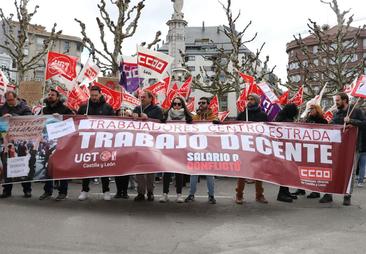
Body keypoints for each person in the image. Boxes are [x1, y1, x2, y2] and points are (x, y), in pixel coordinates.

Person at [319, 92, 366, 206]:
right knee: (333, 169)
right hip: (338, 147)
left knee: (350, 172)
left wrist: (351, 121)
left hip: (353, 147)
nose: (336, 103)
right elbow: (332, 125)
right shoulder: (337, 113)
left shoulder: (356, 111)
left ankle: (347, 195)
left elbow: (364, 123)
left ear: (345, 100)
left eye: (338, 101)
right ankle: (329, 194)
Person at [77, 86, 115, 201]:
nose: (94, 97)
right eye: (92, 95)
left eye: (95, 95)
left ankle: (106, 190)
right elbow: (76, 122)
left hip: (103, 141)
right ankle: (84, 190)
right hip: (87, 142)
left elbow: (114, 124)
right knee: (86, 166)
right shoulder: (84, 107)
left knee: (104, 166)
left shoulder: (107, 108)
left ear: (100, 94)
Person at [39, 89, 73, 201]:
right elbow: (37, 121)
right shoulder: (44, 110)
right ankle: (47, 191)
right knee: (49, 167)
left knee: (61, 167)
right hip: (48, 142)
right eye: (49, 94)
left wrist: (62, 116)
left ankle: (63, 192)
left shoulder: (65, 109)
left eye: (52, 95)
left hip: (61, 142)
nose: (50, 96)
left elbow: (73, 120)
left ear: (58, 97)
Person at [235, 94, 268, 204]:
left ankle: (259, 195)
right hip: (244, 146)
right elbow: (234, 128)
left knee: (258, 172)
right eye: (248, 99)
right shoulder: (242, 114)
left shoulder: (262, 115)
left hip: (258, 147)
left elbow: (267, 130)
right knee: (242, 172)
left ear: (257, 101)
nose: (249, 101)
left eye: (252, 99)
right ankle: (239, 195)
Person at [159, 96, 193, 203]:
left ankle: (179, 194)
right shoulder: (165, 116)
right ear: (172, 105)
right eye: (174, 104)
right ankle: (165, 194)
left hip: (181, 147)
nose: (177, 106)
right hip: (168, 146)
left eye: (179, 104)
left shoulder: (188, 117)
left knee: (179, 171)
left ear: (183, 105)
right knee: (167, 172)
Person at [0, 91, 33, 198]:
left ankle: (27, 189)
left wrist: (13, 116)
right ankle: (7, 190)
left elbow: (30, 119)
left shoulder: (24, 107)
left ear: (16, 98)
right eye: (7, 100)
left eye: (11, 100)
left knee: (22, 166)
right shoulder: (2, 108)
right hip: (7, 141)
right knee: (7, 166)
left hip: (20, 141)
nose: (9, 102)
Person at [291, 104, 328, 199]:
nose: (310, 110)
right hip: (306, 148)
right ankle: (301, 188)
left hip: (317, 148)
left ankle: (315, 191)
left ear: (317, 110)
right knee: (302, 169)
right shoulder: (308, 119)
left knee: (314, 171)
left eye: (312, 109)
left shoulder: (323, 121)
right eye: (310, 109)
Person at [185, 97, 217, 204]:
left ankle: (211, 195)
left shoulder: (213, 117)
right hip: (196, 149)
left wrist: (217, 123)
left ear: (208, 104)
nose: (201, 104)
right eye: (199, 102)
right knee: (194, 174)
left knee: (209, 175)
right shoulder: (195, 117)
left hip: (209, 149)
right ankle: (191, 194)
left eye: (203, 102)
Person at [132, 90, 163, 201]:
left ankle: (150, 192)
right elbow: (132, 118)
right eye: (141, 97)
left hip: (152, 144)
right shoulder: (137, 108)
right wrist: (133, 115)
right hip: (139, 143)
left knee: (150, 170)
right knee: (139, 170)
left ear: (151, 98)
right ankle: (140, 192)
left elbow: (160, 123)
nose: (142, 98)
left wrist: (148, 118)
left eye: (144, 97)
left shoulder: (157, 110)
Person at [276, 103, 300, 203]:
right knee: (284, 172)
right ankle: (281, 194)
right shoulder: (283, 120)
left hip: (287, 149)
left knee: (287, 172)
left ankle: (286, 191)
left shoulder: (282, 118)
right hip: (284, 149)